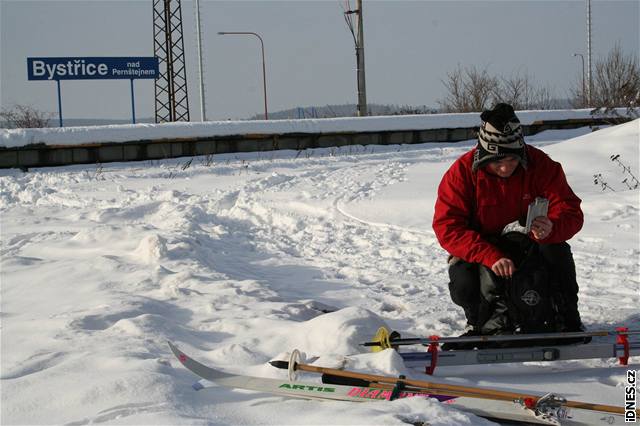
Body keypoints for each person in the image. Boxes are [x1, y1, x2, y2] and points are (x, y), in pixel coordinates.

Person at [432, 103, 585, 341]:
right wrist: (489, 255)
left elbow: (571, 211)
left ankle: (565, 317)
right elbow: (448, 228)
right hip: (482, 246)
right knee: (462, 278)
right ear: (483, 155)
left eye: (513, 161)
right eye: (497, 162)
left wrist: (553, 225)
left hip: (530, 243)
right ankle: (481, 322)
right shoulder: (461, 173)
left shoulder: (541, 165)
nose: (505, 168)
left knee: (557, 251)